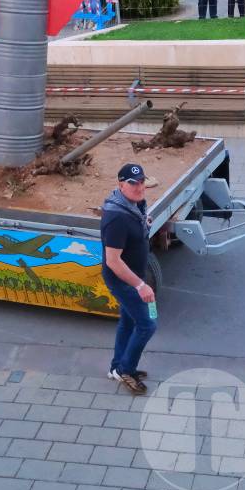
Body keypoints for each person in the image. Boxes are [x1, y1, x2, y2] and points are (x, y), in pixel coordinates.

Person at [103, 163, 156, 396]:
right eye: (133, 183)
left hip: (133, 276)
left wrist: (145, 223)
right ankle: (126, 369)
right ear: (120, 185)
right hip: (123, 281)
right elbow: (113, 261)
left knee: (128, 322)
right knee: (147, 325)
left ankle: (116, 368)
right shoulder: (117, 217)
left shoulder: (133, 206)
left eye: (142, 181)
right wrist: (140, 285)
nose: (139, 187)